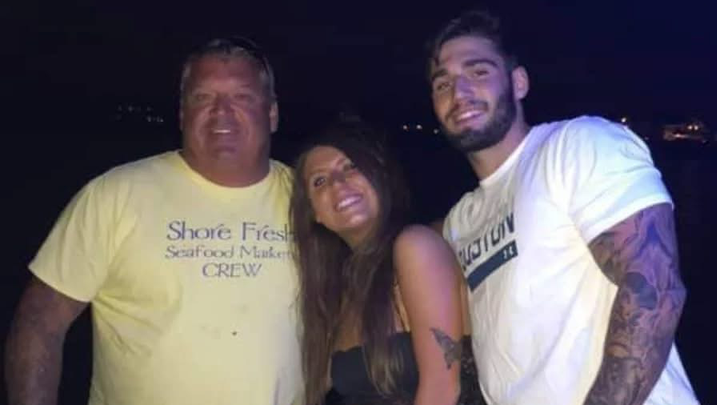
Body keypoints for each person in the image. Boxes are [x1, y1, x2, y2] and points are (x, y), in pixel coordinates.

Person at [5, 37, 302, 405]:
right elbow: (39, 323)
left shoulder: (309, 203)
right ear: (182, 114)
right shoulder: (114, 195)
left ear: (271, 114)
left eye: (242, 97)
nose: (221, 112)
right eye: (202, 97)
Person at [426, 10, 699, 405]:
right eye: (442, 84)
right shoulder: (461, 220)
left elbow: (655, 289)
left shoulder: (578, 146)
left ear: (518, 82)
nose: (459, 91)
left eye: (479, 71)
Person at [289, 123, 484, 405]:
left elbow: (443, 390)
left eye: (350, 167)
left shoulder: (415, 246)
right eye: (319, 181)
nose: (337, 183)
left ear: (379, 176)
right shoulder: (341, 290)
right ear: (314, 213)